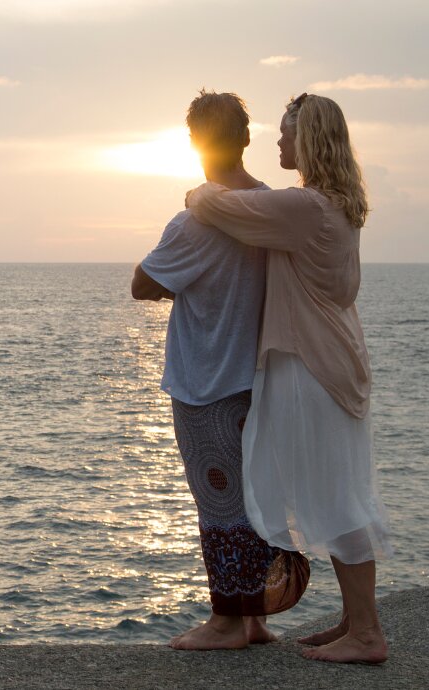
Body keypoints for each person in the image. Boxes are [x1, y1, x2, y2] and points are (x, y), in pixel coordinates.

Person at [185, 92, 393, 664]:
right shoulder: (338, 205)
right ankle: (355, 622)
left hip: (310, 365)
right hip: (334, 359)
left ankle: (368, 634)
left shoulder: (303, 208)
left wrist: (196, 191)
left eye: (286, 133)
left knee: (334, 499)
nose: (277, 142)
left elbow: (218, 206)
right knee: (341, 489)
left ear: (311, 140)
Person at [131, 89, 309, 651]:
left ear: (194, 143)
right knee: (258, 499)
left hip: (207, 381)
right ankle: (254, 618)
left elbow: (143, 284)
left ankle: (227, 623)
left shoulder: (194, 221)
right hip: (264, 377)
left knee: (219, 502)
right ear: (248, 138)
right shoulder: (272, 206)